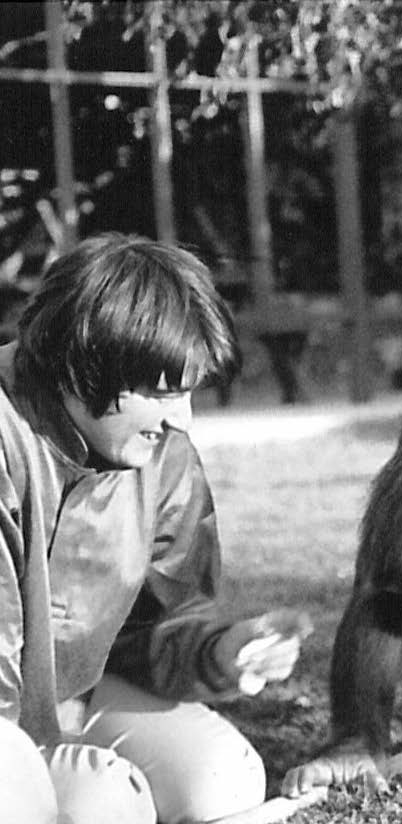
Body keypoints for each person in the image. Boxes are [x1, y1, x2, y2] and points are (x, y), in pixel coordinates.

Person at [0, 233, 313, 824]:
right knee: (105, 802)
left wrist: (222, 649)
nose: (182, 418)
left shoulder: (160, 452)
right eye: (164, 393)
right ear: (83, 366)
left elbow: (158, 626)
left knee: (222, 779)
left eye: (188, 391)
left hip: (69, 703)